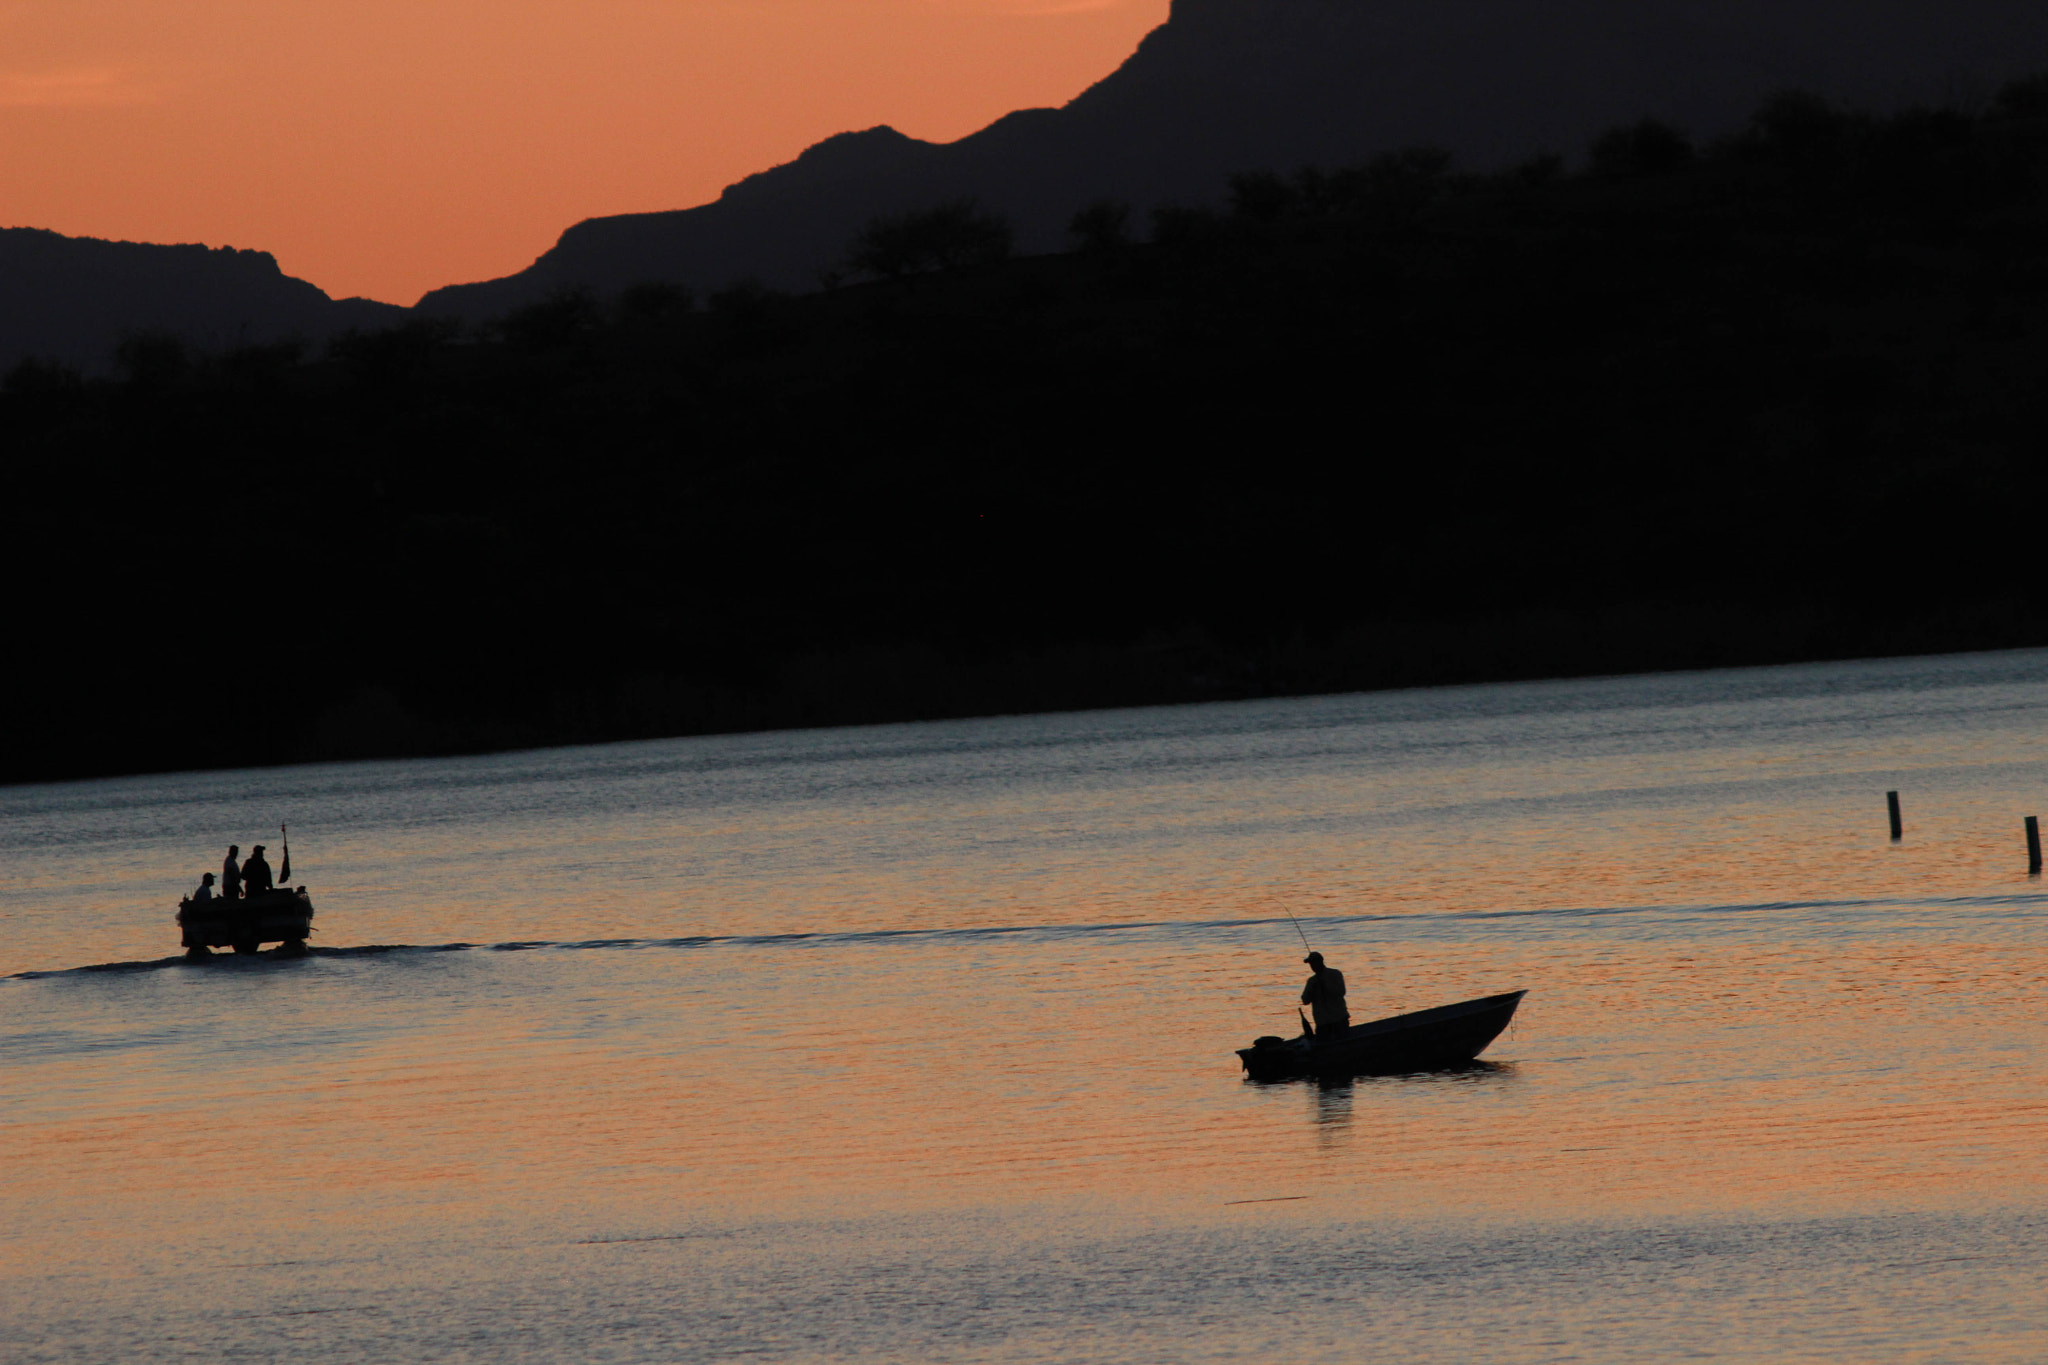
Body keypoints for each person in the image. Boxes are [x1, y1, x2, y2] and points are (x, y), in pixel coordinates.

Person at [1300, 951, 1349, 1038]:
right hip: (1322, 1024)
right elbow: (1305, 1000)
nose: (1312, 966)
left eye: (1314, 963)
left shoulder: (1335, 974)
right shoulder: (1311, 981)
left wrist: (1325, 984)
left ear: (1321, 961)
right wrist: (1312, 988)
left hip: (1339, 1019)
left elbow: (1341, 992)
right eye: (1311, 964)